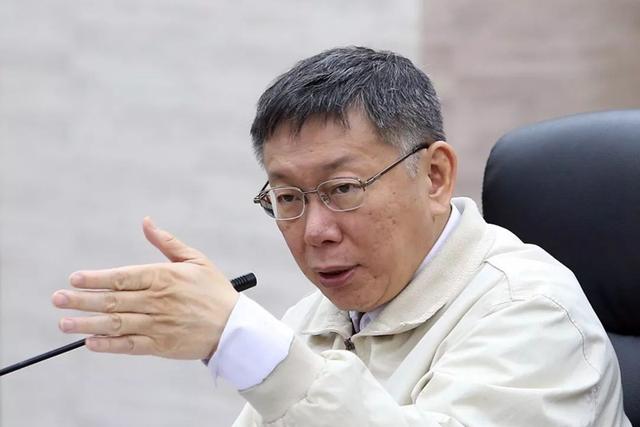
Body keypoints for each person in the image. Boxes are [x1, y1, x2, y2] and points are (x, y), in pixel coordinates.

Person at [52, 46, 630, 426]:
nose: (316, 231)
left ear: (434, 176)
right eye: (288, 198)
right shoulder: (316, 317)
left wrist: (243, 339)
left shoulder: (533, 312)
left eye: (344, 188)